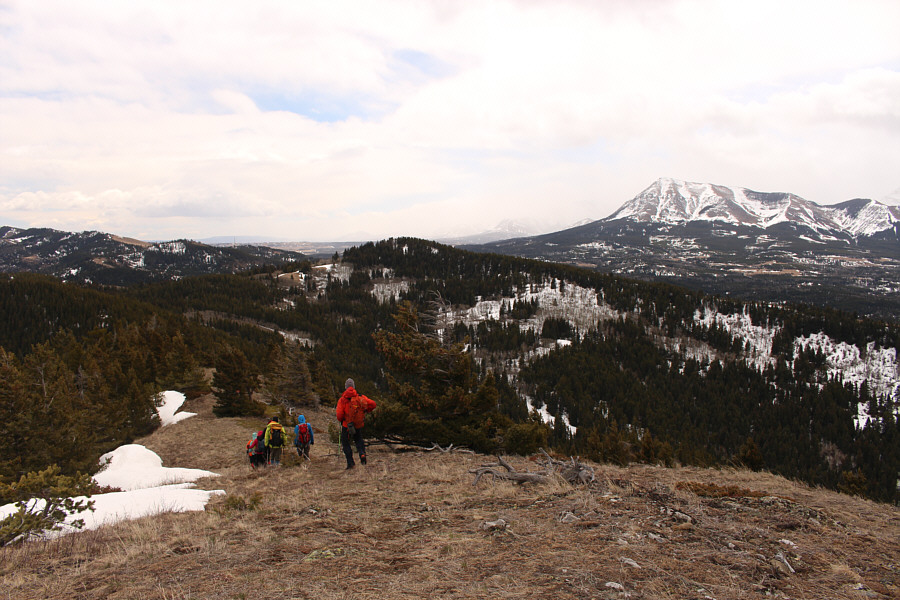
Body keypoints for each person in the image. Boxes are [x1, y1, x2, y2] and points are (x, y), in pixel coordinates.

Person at [335, 378, 376, 469]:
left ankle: (350, 463)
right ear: (353, 387)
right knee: (358, 439)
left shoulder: (342, 399)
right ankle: (362, 453)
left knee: (345, 443)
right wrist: (366, 410)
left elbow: (339, 414)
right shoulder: (360, 397)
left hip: (347, 425)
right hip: (358, 424)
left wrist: (342, 420)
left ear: (346, 387)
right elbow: (373, 404)